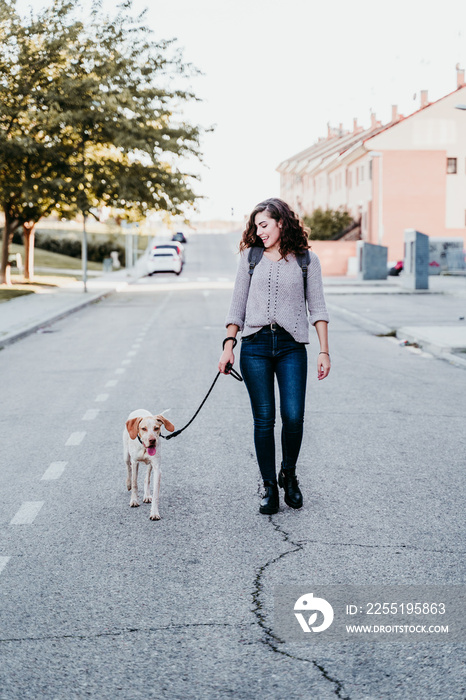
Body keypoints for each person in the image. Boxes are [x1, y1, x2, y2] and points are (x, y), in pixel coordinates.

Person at [218, 198, 330, 515]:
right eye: (256, 226)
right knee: (264, 420)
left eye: (264, 225)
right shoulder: (250, 258)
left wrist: (324, 350)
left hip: (292, 345)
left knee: (293, 417)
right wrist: (228, 346)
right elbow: (236, 306)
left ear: (281, 222)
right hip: (255, 346)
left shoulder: (307, 260)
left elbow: (318, 308)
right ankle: (269, 486)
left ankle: (289, 474)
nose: (259, 231)